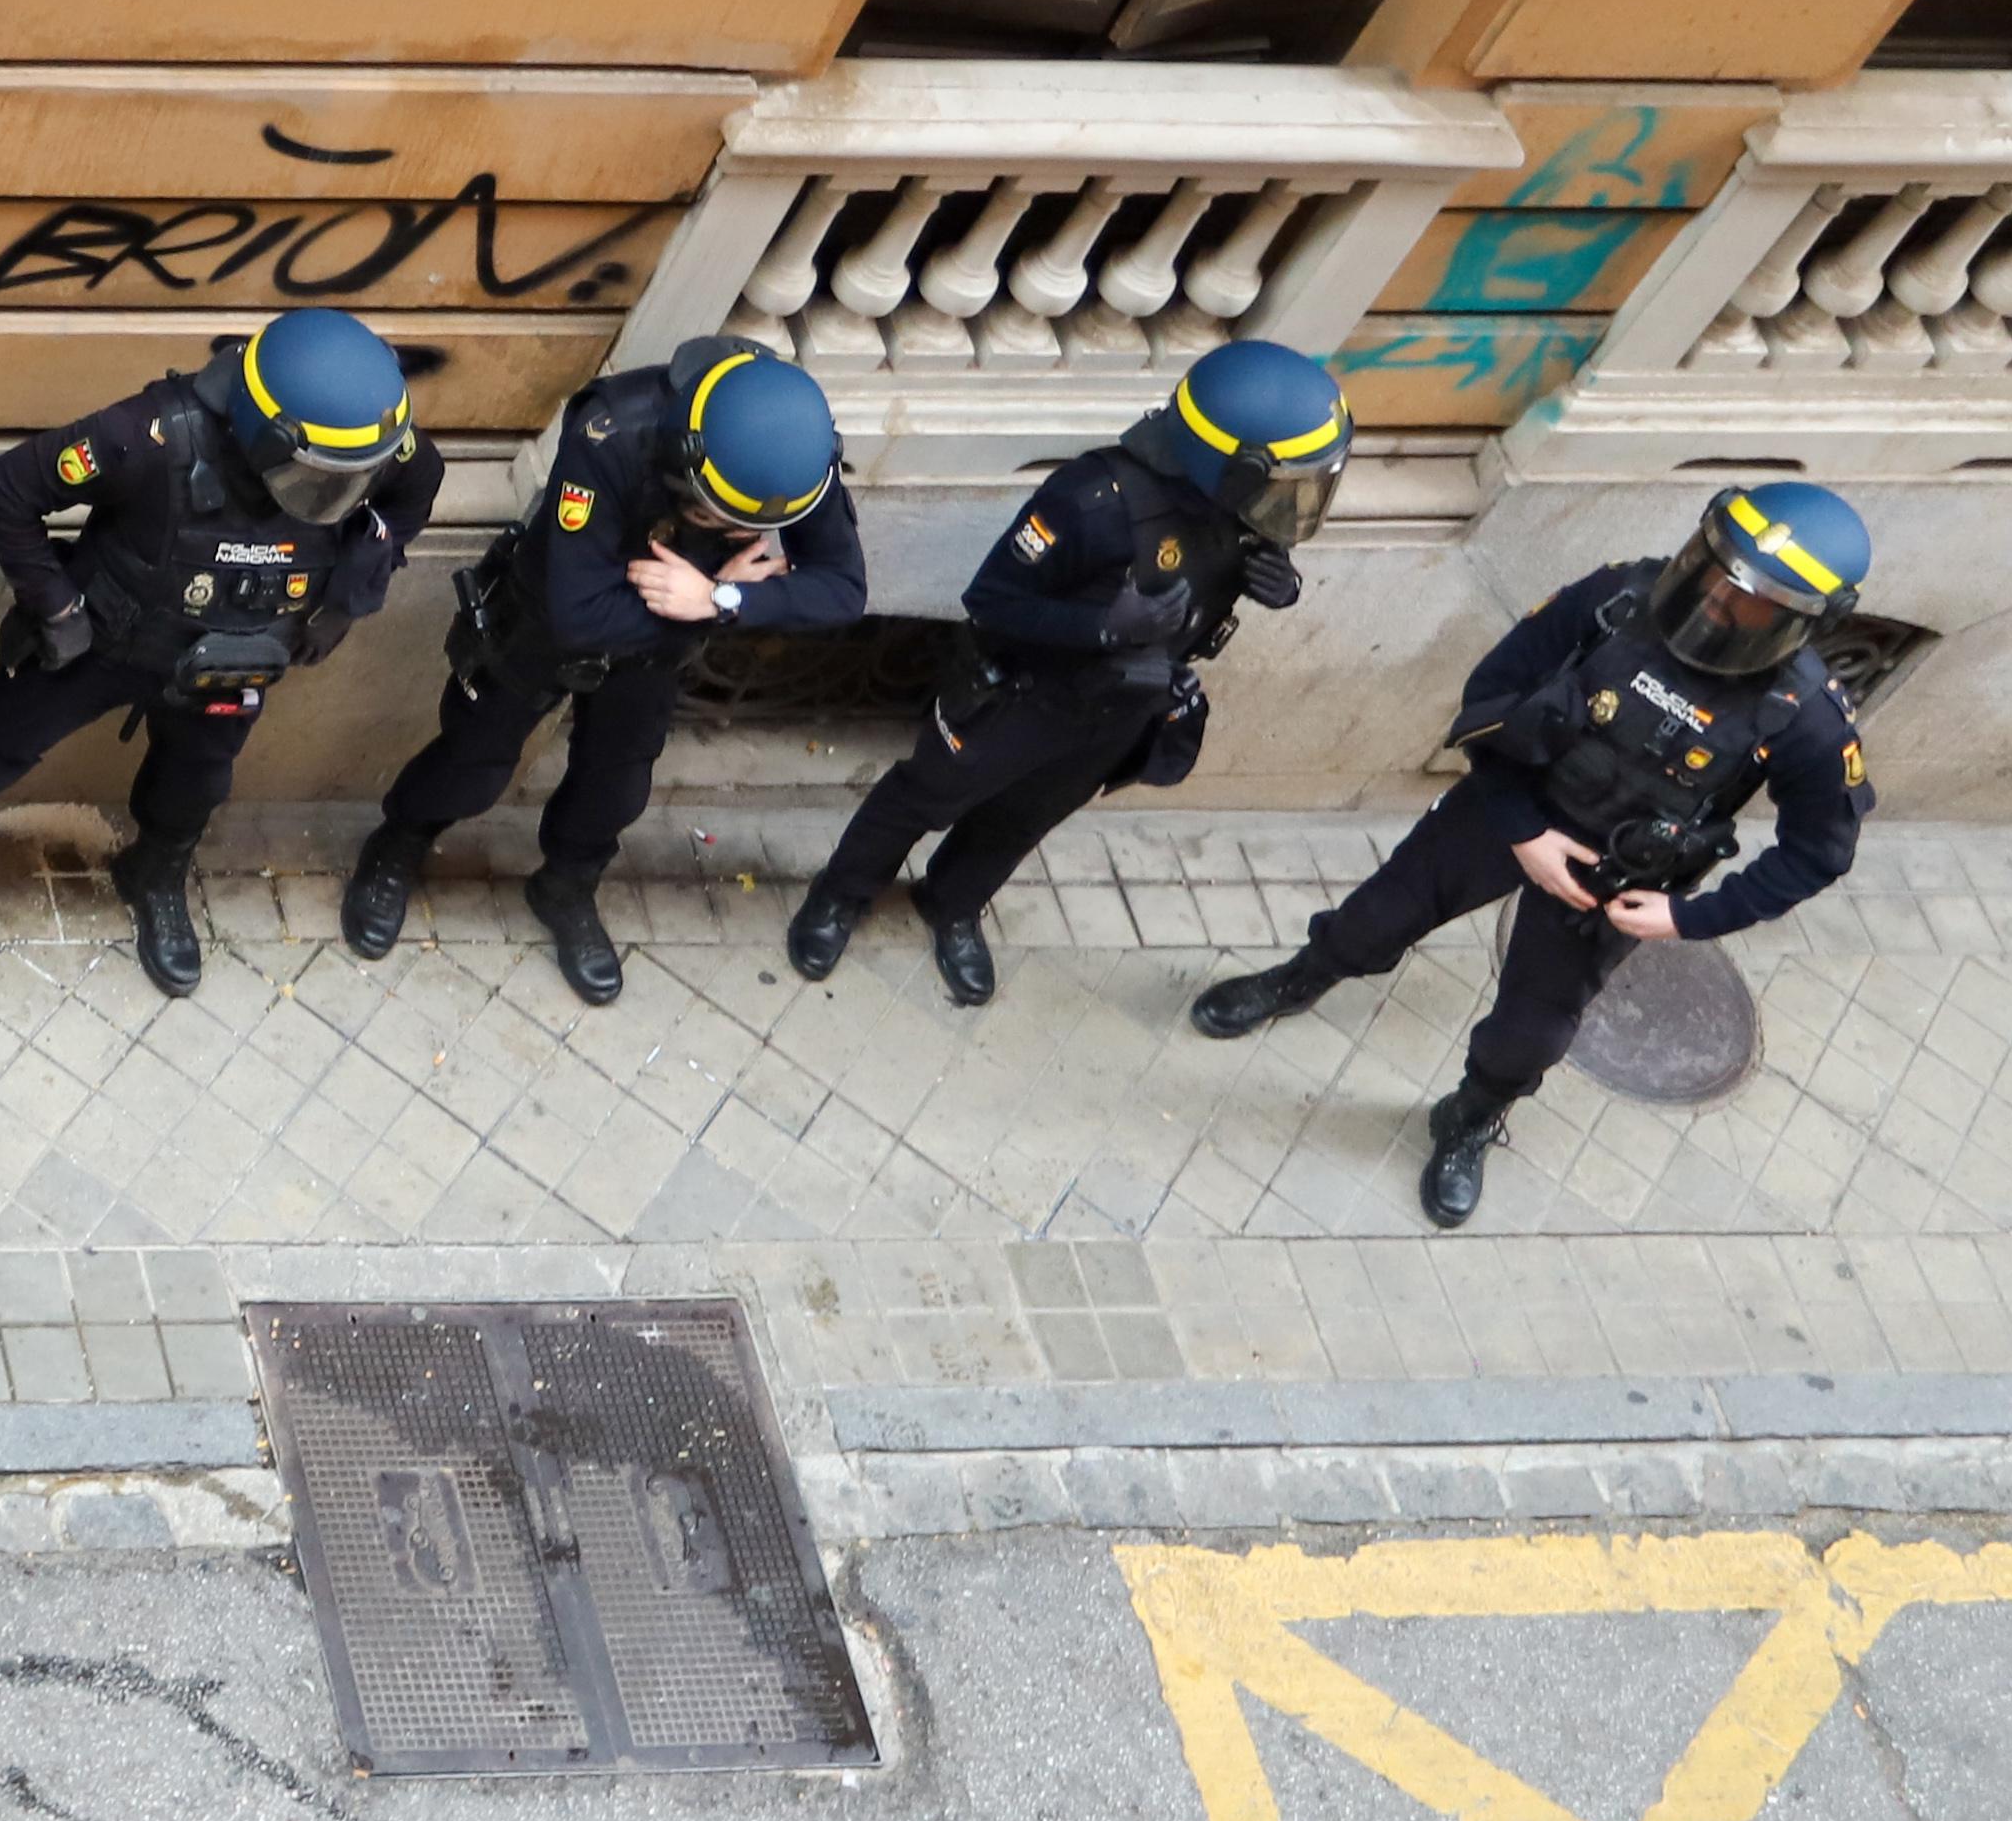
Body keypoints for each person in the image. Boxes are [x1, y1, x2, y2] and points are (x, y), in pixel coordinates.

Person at [1187, 482, 1875, 1227]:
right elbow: (1492, 692)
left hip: (1610, 880)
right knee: (1372, 919)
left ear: (1803, 622)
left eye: (1750, 603)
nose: (1715, 603)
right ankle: (1298, 981)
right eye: (1713, 571)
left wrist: (1688, 916)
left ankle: (1470, 1118)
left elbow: (1818, 852)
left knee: (1531, 1036)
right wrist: (1522, 831)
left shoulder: (1805, 721)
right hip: (1508, 809)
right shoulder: (1616, 599)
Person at [0, 305, 445, 998]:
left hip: (237, 652)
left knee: (197, 782)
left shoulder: (365, 446)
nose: (336, 495)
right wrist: (55, 606)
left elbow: (412, 491)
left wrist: (348, 595)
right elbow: (3, 492)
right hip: (104, 640)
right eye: (317, 477)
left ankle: (156, 872)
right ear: (265, 431)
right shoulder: (146, 436)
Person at [784, 337, 1347, 1009]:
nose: (1292, 504)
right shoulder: (1094, 500)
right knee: (921, 797)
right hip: (1020, 698)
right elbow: (989, 602)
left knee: (1025, 818)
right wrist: (1104, 630)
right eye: (1286, 486)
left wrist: (1279, 585)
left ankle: (952, 902)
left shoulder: (1246, 511)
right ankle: (840, 894)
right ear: (1229, 464)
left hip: (1115, 713)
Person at [345, 339, 865, 1004]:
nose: (718, 527)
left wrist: (718, 598)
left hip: (658, 636)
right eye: (708, 512)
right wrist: (704, 604)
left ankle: (565, 886)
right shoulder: (613, 432)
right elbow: (577, 615)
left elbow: (842, 590)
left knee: (615, 785)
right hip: (547, 619)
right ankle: (399, 844)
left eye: (734, 526)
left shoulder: (789, 460)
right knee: (471, 761)